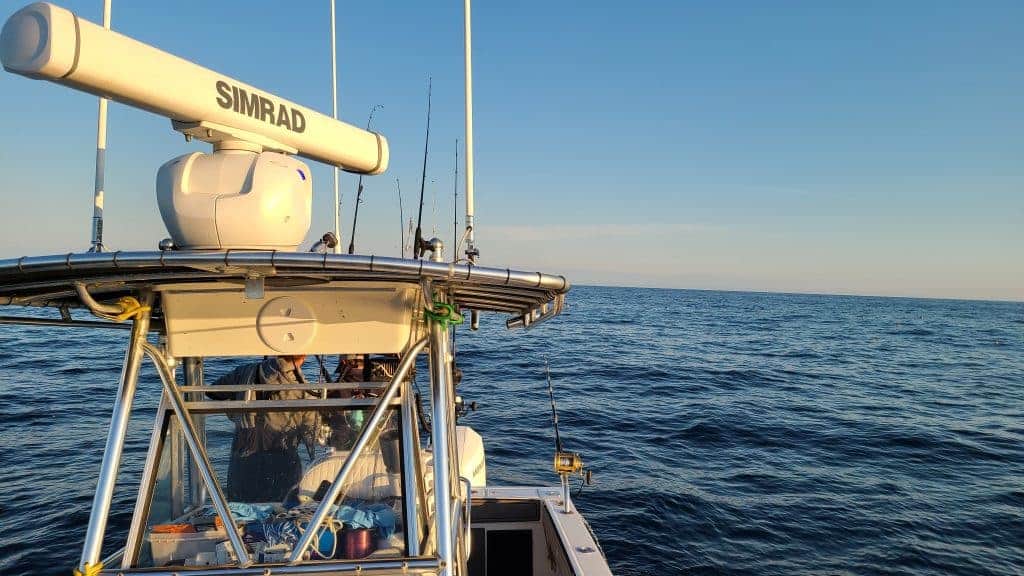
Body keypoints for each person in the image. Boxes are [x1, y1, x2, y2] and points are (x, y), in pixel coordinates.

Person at [207, 355, 319, 502]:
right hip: (283, 466)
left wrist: (237, 410)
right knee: (281, 510)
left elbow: (213, 392)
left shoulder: (244, 371)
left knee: (241, 510)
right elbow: (313, 436)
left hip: (243, 462)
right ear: (304, 356)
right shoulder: (305, 391)